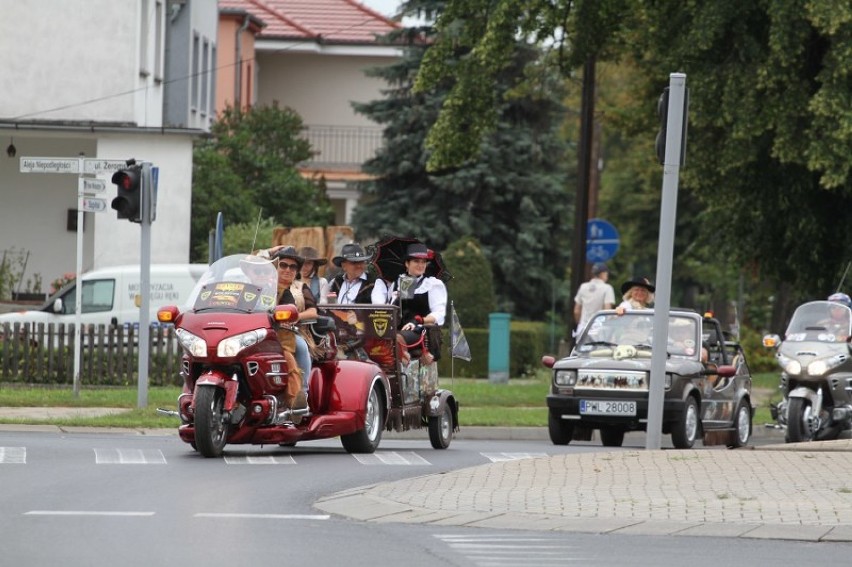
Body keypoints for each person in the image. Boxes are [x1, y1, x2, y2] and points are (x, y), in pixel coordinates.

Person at [273, 246, 318, 410]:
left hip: (294, 330)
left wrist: (294, 317)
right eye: (283, 265)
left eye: (293, 267)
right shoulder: (262, 285)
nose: (288, 270)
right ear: (275, 266)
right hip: (263, 331)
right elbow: (250, 261)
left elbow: (313, 312)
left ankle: (301, 395)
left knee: (300, 346)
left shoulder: (300, 287)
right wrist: (272, 249)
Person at [573, 262, 615, 336]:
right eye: (606, 274)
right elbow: (607, 309)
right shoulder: (607, 288)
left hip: (583, 328)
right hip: (599, 329)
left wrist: (580, 323)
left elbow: (576, 311)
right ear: (602, 274)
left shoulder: (583, 287)